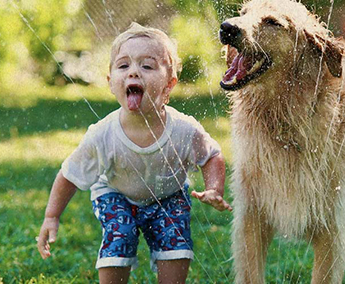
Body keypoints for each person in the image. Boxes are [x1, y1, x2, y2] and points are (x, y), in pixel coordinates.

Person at [36, 22, 231, 284]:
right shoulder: (102, 134)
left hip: (168, 195)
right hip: (116, 193)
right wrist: (51, 217)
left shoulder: (184, 129)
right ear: (110, 82)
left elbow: (211, 156)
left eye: (147, 66)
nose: (133, 73)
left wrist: (214, 188)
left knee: (177, 243)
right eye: (123, 65)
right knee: (121, 233)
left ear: (168, 85)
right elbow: (69, 175)